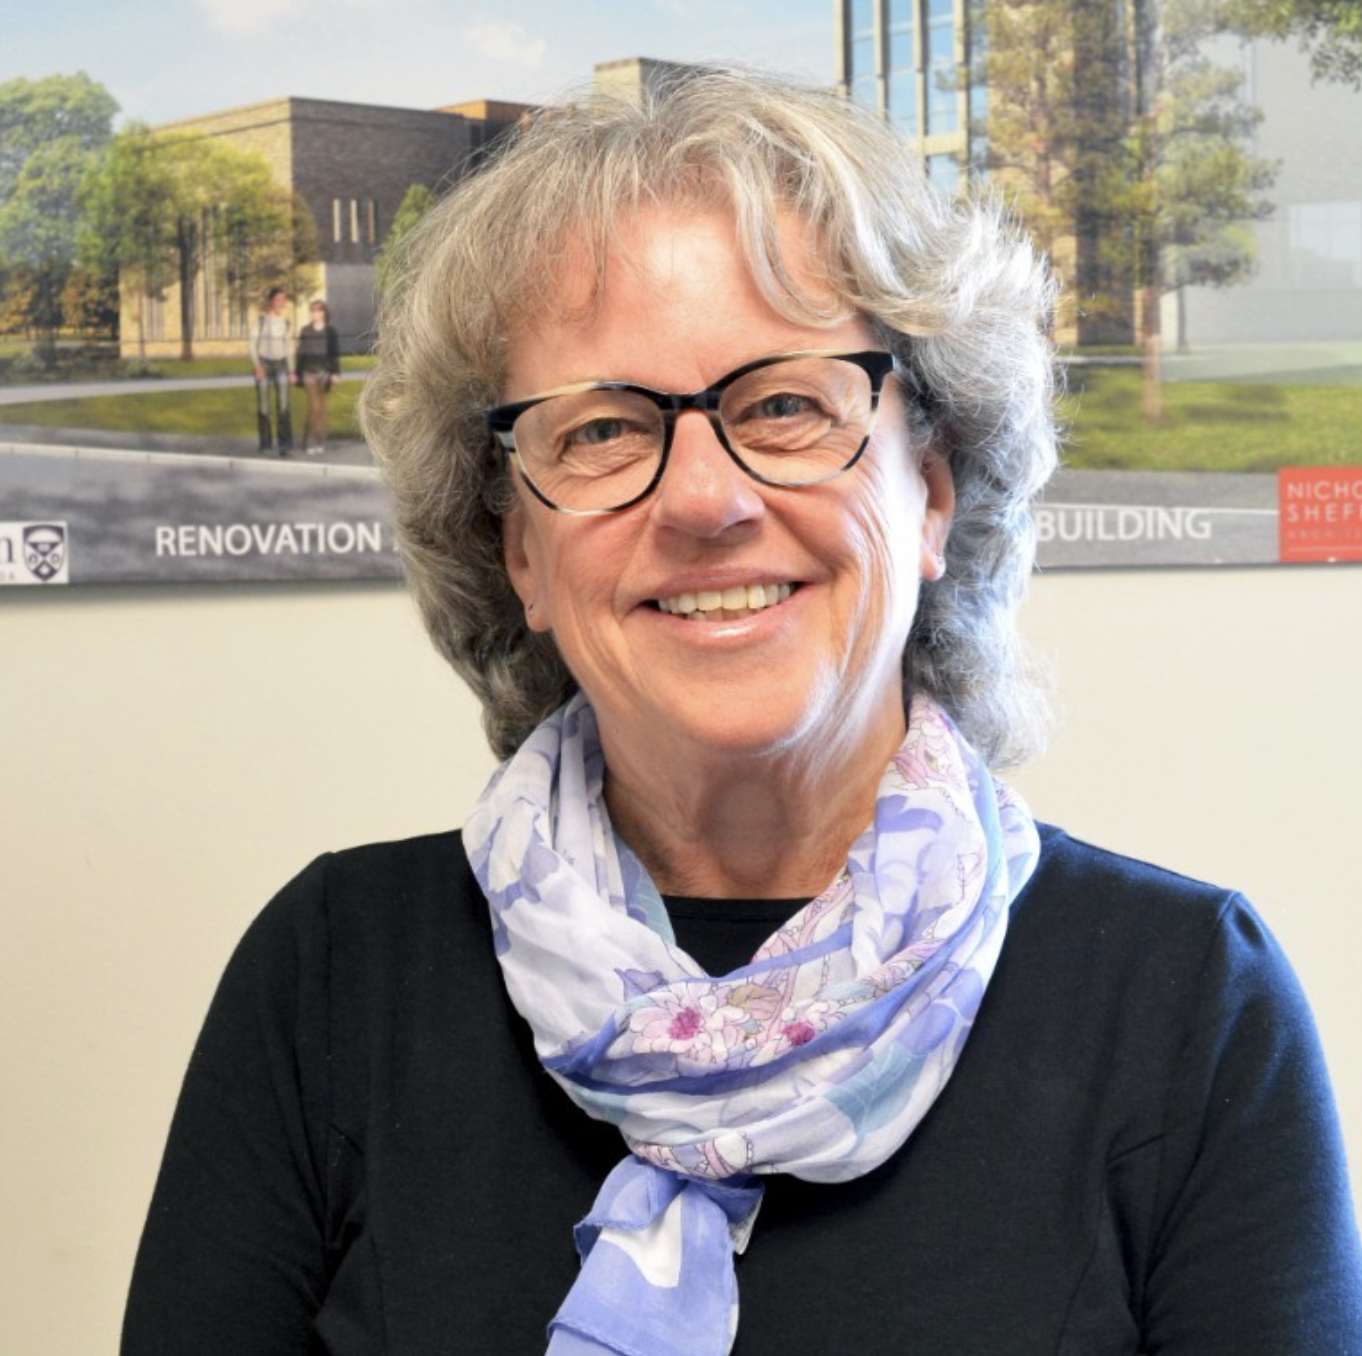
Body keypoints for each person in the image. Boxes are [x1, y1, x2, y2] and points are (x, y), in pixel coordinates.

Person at [121, 68, 1362, 1355]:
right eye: (601, 429)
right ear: (521, 555)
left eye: (783, 404)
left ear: (930, 494)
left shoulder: (1187, 1006)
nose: (704, 502)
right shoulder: (333, 982)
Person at [249, 285, 294, 455]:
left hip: (281, 365)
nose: (280, 303)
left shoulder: (286, 322)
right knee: (263, 407)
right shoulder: (261, 320)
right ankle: (265, 443)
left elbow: (288, 348)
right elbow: (252, 345)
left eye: (283, 300)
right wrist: (257, 365)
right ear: (271, 301)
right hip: (264, 364)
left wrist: (291, 370)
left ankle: (285, 444)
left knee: (283, 406)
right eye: (277, 299)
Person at [296, 297, 342, 454]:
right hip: (309, 372)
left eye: (319, 310)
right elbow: (300, 353)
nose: (316, 314)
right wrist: (297, 373)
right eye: (313, 311)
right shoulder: (305, 331)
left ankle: (320, 441)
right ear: (311, 313)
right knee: (314, 408)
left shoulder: (331, 332)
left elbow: (334, 355)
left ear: (324, 313)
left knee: (322, 409)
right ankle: (310, 442)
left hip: (325, 374)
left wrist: (335, 373)